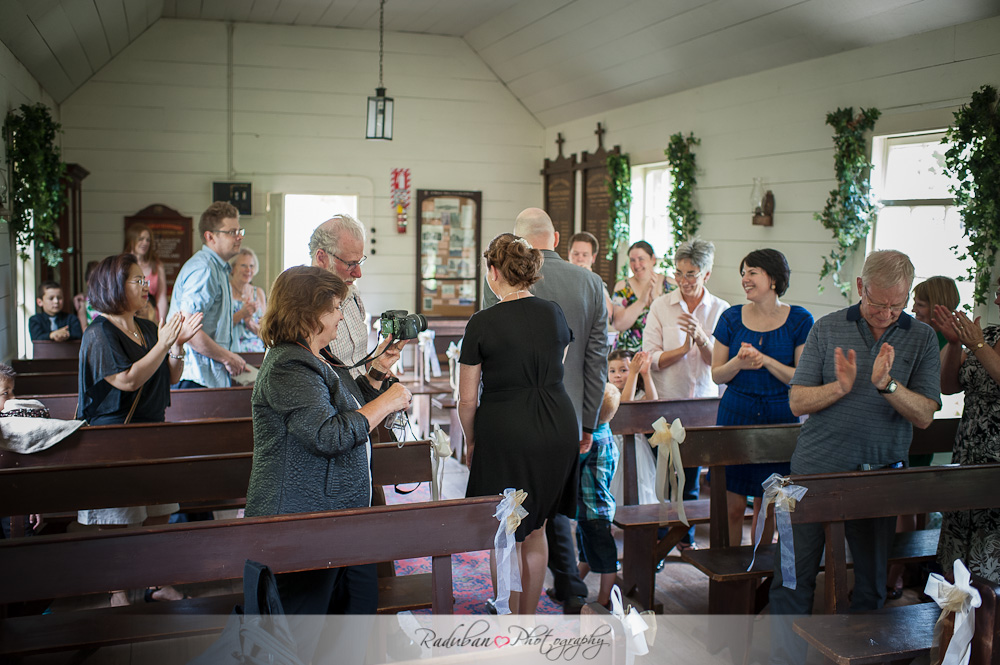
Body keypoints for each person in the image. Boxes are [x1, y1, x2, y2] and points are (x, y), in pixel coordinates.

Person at [769, 250, 941, 665]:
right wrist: (839, 389)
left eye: (896, 305)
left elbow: (923, 416)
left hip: (878, 479)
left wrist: (888, 385)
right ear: (860, 287)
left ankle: (861, 660)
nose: (886, 313)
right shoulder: (827, 328)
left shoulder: (921, 337)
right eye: (878, 303)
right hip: (812, 475)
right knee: (791, 579)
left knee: (870, 587)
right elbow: (796, 401)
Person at [245, 266, 409, 652]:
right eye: (335, 307)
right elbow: (328, 434)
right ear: (308, 312)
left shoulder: (318, 357)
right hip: (301, 522)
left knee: (353, 622)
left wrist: (377, 373)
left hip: (338, 516)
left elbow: (347, 411)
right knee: (303, 637)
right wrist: (387, 402)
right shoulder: (288, 364)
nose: (340, 315)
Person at [482, 208, 609, 614]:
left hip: (508, 421)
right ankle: (568, 588)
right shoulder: (590, 282)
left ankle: (510, 609)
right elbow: (596, 362)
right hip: (565, 419)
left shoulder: (498, 278)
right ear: (555, 239)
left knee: (511, 522)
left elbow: (486, 361)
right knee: (551, 515)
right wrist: (588, 422)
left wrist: (481, 429)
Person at [461, 233, 580, 614]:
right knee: (538, 527)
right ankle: (528, 618)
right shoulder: (554, 312)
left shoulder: (482, 322)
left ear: (493, 272)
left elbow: (466, 398)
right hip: (558, 426)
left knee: (505, 530)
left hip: (507, 429)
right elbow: (555, 366)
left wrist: (470, 439)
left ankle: (506, 619)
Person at [76, 253, 203, 605]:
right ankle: (119, 592)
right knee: (118, 523)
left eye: (144, 279)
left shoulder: (148, 328)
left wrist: (175, 345)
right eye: (136, 280)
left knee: (158, 516)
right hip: (114, 439)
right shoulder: (99, 333)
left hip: (153, 433)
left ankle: (155, 583)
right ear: (113, 286)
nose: (144, 285)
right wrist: (165, 343)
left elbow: (171, 377)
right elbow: (127, 380)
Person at [710, 249, 813, 546]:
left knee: (768, 508)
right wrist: (738, 363)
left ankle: (758, 575)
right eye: (743, 273)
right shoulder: (730, 318)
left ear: (773, 279)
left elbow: (800, 376)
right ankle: (731, 573)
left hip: (779, 420)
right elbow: (717, 375)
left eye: (752, 272)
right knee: (731, 505)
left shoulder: (799, 320)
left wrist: (765, 360)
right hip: (735, 417)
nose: (745, 279)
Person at [643, 238, 729, 548]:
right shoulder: (661, 306)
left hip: (703, 405)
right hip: (666, 402)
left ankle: (686, 540)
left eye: (691, 274)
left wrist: (702, 338)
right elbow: (650, 357)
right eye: (678, 273)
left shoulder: (722, 310)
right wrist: (681, 350)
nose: (683, 281)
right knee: (663, 479)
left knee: (690, 480)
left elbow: (720, 364)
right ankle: (659, 542)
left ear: (707, 274)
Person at [934, 275, 1000, 584]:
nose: (997, 300)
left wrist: (977, 345)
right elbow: (947, 387)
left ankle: (987, 629)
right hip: (968, 450)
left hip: (997, 460)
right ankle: (956, 623)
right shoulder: (987, 334)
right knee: (958, 551)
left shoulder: (981, 339)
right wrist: (954, 343)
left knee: (989, 560)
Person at [167, 202, 247, 388]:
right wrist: (228, 358)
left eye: (240, 231)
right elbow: (188, 331)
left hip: (206, 376)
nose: (239, 237)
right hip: (194, 378)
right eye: (231, 232)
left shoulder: (217, 268)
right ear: (210, 236)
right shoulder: (204, 269)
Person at [576, 381, 623, 609]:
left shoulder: (589, 440)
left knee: (606, 559)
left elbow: (573, 463)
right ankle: (572, 585)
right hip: (593, 507)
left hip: (593, 509)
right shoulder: (606, 431)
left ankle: (604, 601)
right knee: (586, 551)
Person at [309, 215, 372, 379]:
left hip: (365, 396)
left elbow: (359, 356)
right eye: (350, 264)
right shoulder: (303, 308)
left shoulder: (353, 294)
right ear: (321, 257)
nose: (358, 273)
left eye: (360, 262)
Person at [611, 240, 675, 353]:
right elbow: (619, 324)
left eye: (641, 259)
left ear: (653, 260)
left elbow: (672, 323)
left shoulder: (671, 286)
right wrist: (642, 300)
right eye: (632, 260)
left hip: (661, 353)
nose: (636, 265)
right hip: (627, 355)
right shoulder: (622, 287)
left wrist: (654, 298)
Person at [124, 223, 168, 321]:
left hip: (150, 316)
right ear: (131, 240)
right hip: (129, 316)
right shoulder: (122, 265)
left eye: (148, 240)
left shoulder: (157, 265)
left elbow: (161, 298)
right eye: (141, 239)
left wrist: (161, 321)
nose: (145, 243)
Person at [568, 231, 616, 321]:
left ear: (593, 257)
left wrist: (591, 279)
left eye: (585, 255)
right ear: (569, 254)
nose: (580, 259)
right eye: (576, 254)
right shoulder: (561, 279)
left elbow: (609, 313)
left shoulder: (598, 283)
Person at [229, 247, 267, 353]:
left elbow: (266, 332)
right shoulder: (225, 291)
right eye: (243, 265)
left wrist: (250, 323)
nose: (248, 270)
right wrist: (242, 313)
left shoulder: (258, 293)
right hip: (231, 354)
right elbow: (218, 329)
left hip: (256, 353)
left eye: (251, 266)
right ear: (233, 268)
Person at [912, 275, 961, 350]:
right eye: (915, 303)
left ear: (940, 308)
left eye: (920, 305)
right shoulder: (917, 335)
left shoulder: (950, 344)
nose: (913, 310)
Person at [74, 261, 101, 332]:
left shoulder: (110, 300)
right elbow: (84, 327)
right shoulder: (84, 303)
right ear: (88, 282)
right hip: (92, 338)